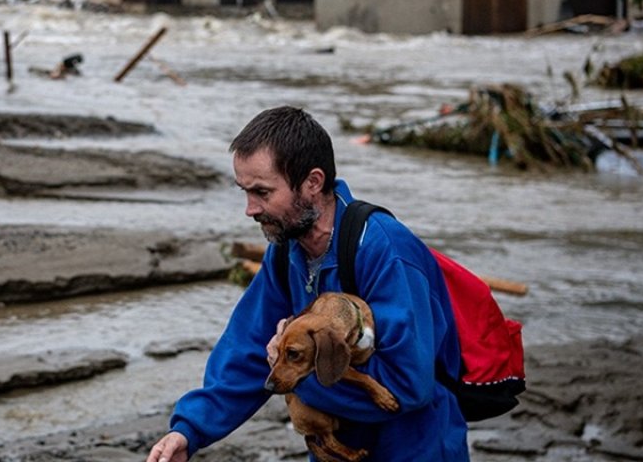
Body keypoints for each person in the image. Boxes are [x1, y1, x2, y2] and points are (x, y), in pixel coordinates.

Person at [145, 105, 468, 462]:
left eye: (263, 193)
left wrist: (299, 374)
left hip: (416, 450)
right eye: (245, 192)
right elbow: (249, 348)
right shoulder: (287, 249)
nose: (250, 209)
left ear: (313, 183)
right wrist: (188, 430)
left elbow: (408, 385)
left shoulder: (385, 250)